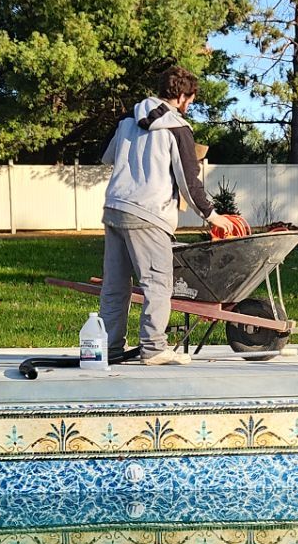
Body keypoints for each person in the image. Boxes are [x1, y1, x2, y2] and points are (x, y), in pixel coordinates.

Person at [98, 63, 248, 366]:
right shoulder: (177, 127)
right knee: (158, 283)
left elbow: (107, 157)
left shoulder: (127, 119)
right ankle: (153, 348)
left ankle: (109, 348)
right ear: (181, 96)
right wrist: (212, 215)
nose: (190, 105)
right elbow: (189, 180)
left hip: (115, 208)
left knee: (115, 286)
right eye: (190, 100)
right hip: (149, 213)